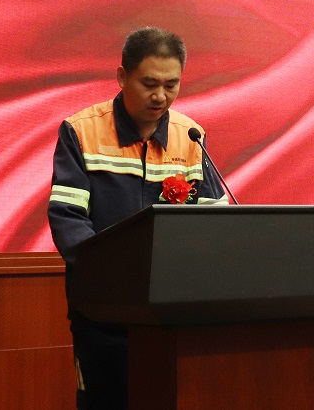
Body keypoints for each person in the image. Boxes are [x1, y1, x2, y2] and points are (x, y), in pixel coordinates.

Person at [48, 27, 227, 409]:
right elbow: (68, 218)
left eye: (171, 85)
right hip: (103, 313)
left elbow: (216, 223)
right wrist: (120, 276)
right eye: (149, 84)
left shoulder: (190, 136)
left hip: (173, 314)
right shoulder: (81, 131)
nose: (160, 96)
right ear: (122, 76)